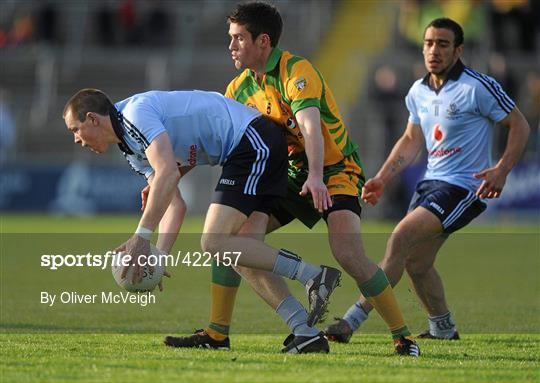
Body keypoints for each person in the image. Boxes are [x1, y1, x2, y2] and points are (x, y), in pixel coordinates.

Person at [166, 2, 420, 356]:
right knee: (235, 243)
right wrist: (172, 174)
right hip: (286, 174)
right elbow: (214, 141)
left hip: (333, 170)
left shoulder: (296, 71)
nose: (232, 46)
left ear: (263, 41)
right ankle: (221, 332)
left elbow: (310, 126)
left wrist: (316, 176)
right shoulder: (237, 89)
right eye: (230, 38)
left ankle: (403, 338)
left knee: (347, 252)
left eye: (239, 38)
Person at [63, 88, 342, 350]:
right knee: (241, 253)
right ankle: (305, 333)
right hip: (248, 149)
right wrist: (158, 258)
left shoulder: (135, 115)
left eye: (76, 129)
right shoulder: (131, 150)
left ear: (92, 119)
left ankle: (314, 276)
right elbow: (175, 204)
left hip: (253, 141)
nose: (76, 139)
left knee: (214, 242)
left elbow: (168, 176)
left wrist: (140, 238)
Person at [325, 17, 530, 342]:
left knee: (400, 237)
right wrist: (382, 177)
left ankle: (350, 322)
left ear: (459, 49)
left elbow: (520, 125)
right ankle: (443, 329)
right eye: (429, 43)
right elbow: (410, 140)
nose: (434, 50)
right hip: (429, 184)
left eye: (443, 44)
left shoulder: (477, 86)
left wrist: (502, 169)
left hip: (464, 187)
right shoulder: (418, 91)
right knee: (416, 264)